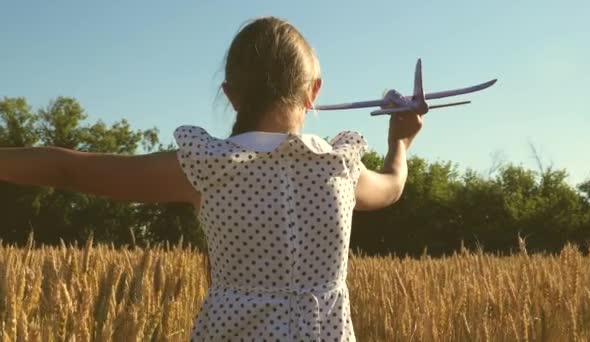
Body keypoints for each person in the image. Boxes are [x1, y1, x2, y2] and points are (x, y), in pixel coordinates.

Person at [0, 16, 423, 341]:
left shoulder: (207, 167)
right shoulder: (340, 167)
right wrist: (400, 142)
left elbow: (66, 168)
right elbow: (392, 187)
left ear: (232, 94)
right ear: (313, 92)